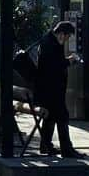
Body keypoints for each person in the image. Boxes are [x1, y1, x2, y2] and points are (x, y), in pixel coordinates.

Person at [34, 19, 81, 158]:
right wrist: (70, 60)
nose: (67, 40)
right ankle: (67, 149)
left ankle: (46, 145)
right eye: (67, 36)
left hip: (49, 88)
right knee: (62, 116)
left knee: (51, 116)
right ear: (61, 33)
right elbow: (54, 66)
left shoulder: (48, 40)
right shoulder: (51, 44)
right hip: (52, 88)